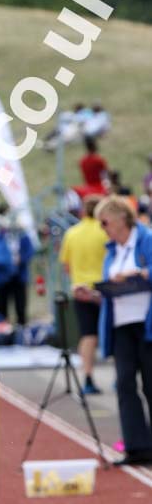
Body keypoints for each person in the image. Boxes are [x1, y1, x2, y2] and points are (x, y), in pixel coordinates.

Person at [96, 196, 152, 466]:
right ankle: (136, 447)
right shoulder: (111, 251)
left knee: (151, 385)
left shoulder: (147, 239)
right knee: (125, 384)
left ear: (120, 218)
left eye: (105, 222)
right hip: (121, 325)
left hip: (146, 322)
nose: (103, 228)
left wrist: (140, 274)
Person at [59, 195, 107, 395]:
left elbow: (66, 265)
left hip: (80, 289)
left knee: (88, 335)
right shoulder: (106, 231)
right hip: (105, 289)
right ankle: (123, 374)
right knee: (115, 334)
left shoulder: (72, 233)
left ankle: (87, 376)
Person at [0, 213, 35, 326]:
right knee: (2, 306)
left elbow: (29, 251)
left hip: (19, 275)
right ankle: (2, 331)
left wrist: (20, 259)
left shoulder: (23, 236)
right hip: (3, 276)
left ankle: (22, 329)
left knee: (20, 305)